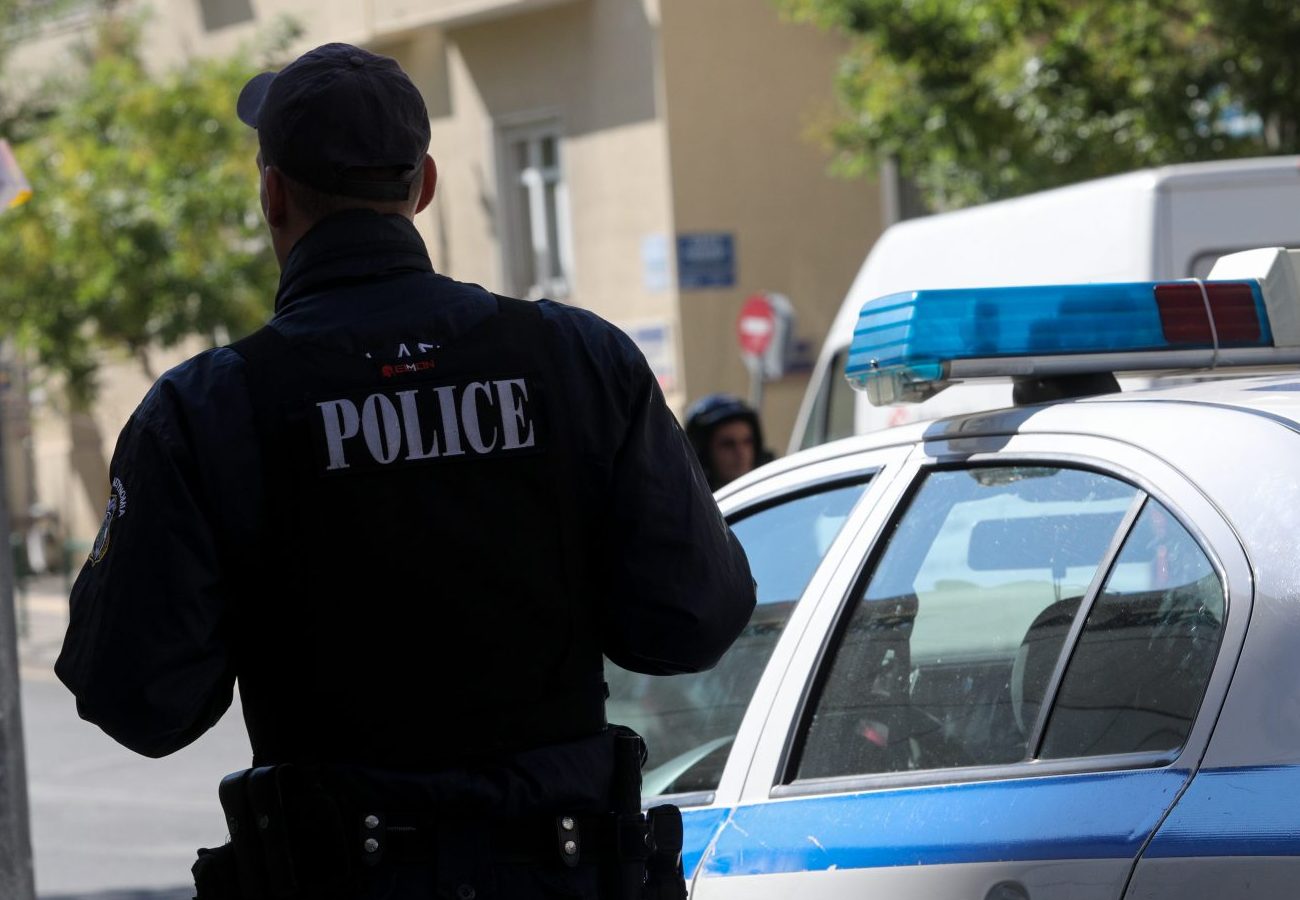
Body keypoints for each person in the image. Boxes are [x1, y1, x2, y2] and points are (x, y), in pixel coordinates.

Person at [54, 42, 755, 900]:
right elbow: (693, 619)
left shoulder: (209, 410)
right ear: (423, 186)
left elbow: (138, 699)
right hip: (566, 875)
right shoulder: (579, 361)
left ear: (273, 194)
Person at [683, 393, 773, 490]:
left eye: (747, 442)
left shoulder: (772, 489)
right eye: (728, 445)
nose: (740, 453)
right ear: (703, 453)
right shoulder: (687, 498)